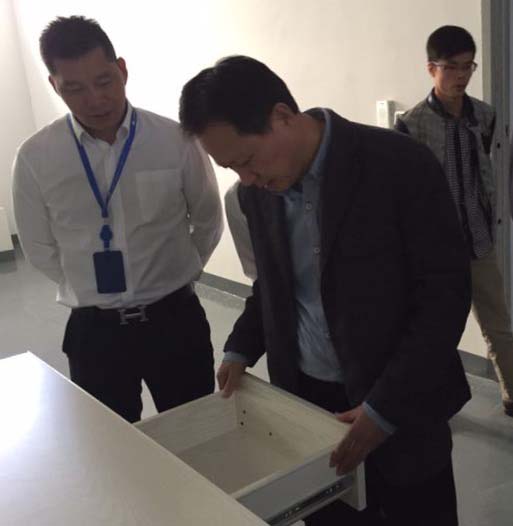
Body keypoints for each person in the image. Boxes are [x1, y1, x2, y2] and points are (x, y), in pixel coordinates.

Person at [179, 55, 472, 526]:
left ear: (281, 116)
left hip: (404, 400)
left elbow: (445, 298)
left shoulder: (399, 164)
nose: (246, 179)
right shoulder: (255, 194)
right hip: (309, 406)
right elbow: (273, 285)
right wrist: (240, 347)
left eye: (247, 161)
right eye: (231, 168)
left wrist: (384, 410)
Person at [12, 16, 223, 423]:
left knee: (194, 433)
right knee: (110, 444)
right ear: (55, 85)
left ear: (122, 70)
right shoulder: (36, 156)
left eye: (104, 81)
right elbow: (38, 246)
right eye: (74, 88)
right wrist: (88, 286)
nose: (95, 100)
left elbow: (208, 218)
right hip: (95, 333)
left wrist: (179, 272)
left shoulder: (174, 139)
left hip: (175, 322)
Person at [396, 25, 513, 418]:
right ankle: (436, 400)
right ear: (432, 68)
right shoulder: (411, 124)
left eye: (468, 66)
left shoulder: (485, 115)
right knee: (437, 329)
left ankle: (512, 393)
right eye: (452, 67)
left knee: (498, 324)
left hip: (479, 240)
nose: (461, 76)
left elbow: (488, 170)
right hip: (436, 249)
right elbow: (404, 190)